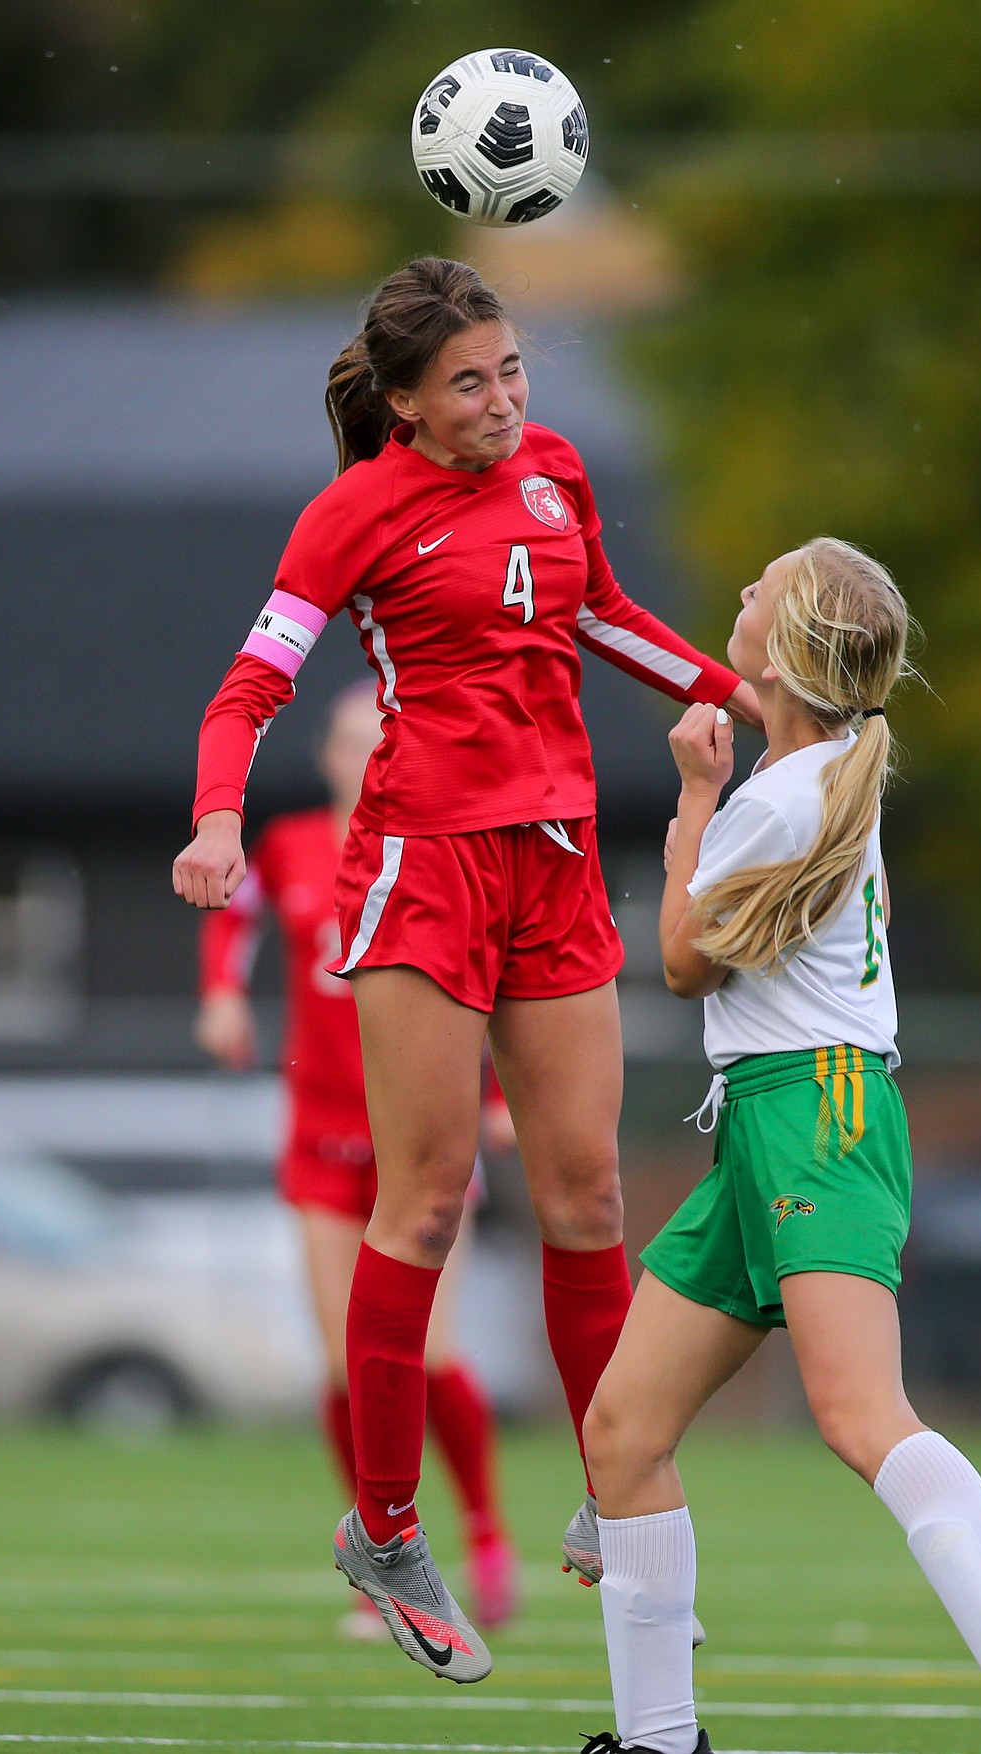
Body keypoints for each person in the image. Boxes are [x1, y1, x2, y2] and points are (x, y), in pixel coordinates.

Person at [172, 255, 760, 1684]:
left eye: (511, 372)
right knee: (427, 1202)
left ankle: (608, 1474)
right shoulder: (351, 512)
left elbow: (605, 618)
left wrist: (752, 702)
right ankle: (382, 1527)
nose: (502, 403)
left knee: (588, 1191)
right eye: (470, 385)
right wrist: (215, 815)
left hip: (553, 862)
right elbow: (250, 685)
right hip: (421, 868)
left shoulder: (555, 469)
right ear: (402, 404)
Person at [577, 538, 981, 1754]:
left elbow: (675, 962)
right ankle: (660, 1738)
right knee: (623, 1430)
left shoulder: (774, 793)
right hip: (770, 1122)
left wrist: (694, 799)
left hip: (819, 1116)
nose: (744, 595)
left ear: (793, 641)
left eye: (764, 588)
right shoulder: (815, 775)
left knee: (859, 1409)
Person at [194, 683, 517, 1637]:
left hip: (421, 1143)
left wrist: (494, 1096)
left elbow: (484, 978)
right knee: (347, 1368)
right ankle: (388, 1557)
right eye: (348, 742)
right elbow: (231, 913)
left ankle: (488, 1535)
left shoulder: (441, 850)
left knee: (432, 1355)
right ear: (329, 755)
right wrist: (221, 996)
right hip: (322, 1143)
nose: (363, 758)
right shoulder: (290, 847)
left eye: (380, 744)